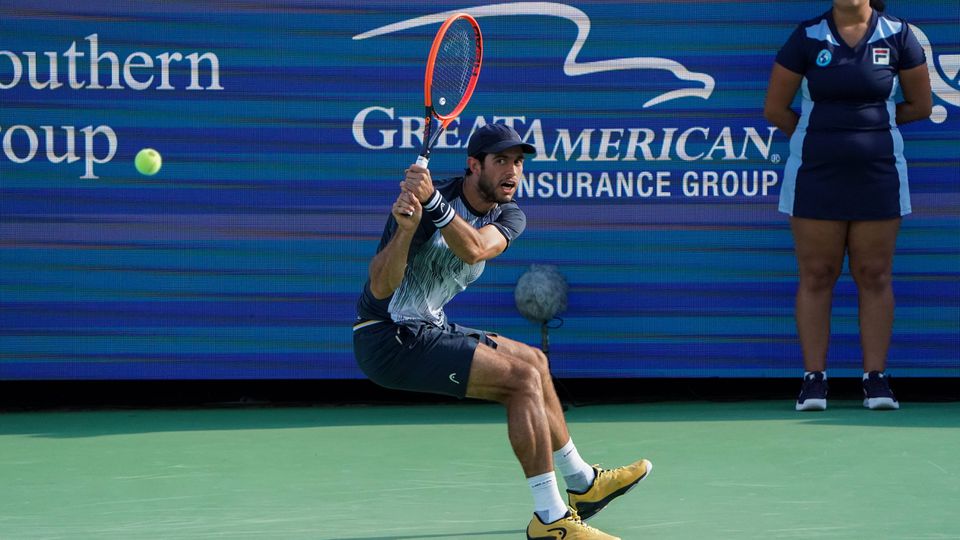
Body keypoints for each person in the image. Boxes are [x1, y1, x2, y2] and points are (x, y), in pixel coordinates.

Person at [352, 123, 652, 539]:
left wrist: (435, 205)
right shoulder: (423, 208)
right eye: (501, 161)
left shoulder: (507, 213)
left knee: (535, 361)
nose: (512, 171)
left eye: (518, 162)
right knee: (521, 380)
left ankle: (583, 483)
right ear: (474, 166)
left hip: (428, 326)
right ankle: (550, 519)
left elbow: (475, 247)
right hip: (388, 337)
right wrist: (405, 228)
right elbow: (381, 287)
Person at [764, 0, 932, 411]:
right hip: (815, 177)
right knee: (817, 274)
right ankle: (814, 381)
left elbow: (921, 105)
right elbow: (775, 109)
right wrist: (819, 136)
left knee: (873, 274)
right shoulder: (806, 36)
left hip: (879, 175)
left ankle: (876, 381)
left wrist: (872, 127)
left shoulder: (899, 35)